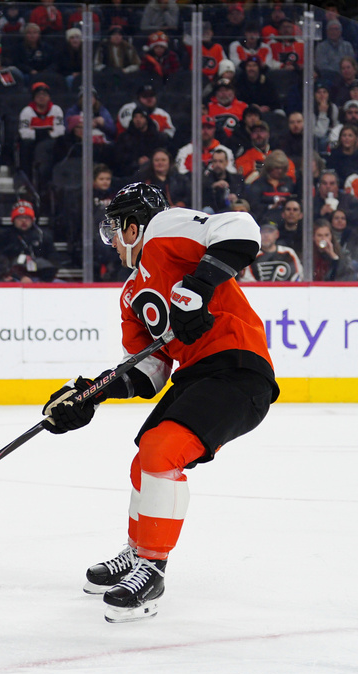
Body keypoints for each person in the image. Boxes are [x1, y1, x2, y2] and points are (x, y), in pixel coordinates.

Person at [46, 182, 277, 623]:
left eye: (115, 230)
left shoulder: (164, 230)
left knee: (161, 451)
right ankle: (137, 553)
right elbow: (149, 372)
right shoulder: (131, 294)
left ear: (133, 226)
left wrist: (198, 287)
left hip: (238, 367)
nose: (113, 242)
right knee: (145, 460)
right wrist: (92, 394)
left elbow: (242, 227)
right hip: (194, 376)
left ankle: (151, 569)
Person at [0, 200, 57, 283]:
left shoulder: (42, 236)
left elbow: (53, 259)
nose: (23, 221)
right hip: (14, 277)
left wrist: (43, 279)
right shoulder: (4, 237)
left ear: (32, 220)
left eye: (27, 218)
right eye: (19, 218)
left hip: (41, 277)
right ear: (13, 220)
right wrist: (17, 276)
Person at [18, 82, 64, 189]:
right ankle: (27, 181)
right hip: (32, 144)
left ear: (49, 97)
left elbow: (60, 131)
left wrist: (36, 131)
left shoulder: (56, 110)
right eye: (38, 95)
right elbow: (24, 133)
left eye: (44, 95)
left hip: (51, 143)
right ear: (34, 97)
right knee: (25, 144)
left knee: (61, 142)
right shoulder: (26, 111)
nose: (42, 97)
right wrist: (48, 131)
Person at [243, 150, 296, 225]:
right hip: (265, 220)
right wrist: (271, 206)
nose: (280, 171)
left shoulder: (289, 182)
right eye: (277, 168)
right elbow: (254, 206)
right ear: (269, 167)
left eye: (282, 168)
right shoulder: (258, 184)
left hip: (287, 222)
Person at [201, 148, 244, 215]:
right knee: (207, 210)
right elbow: (203, 200)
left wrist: (236, 199)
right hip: (213, 213)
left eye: (220, 161)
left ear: (226, 162)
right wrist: (213, 187)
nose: (217, 164)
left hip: (231, 211)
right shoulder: (206, 180)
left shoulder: (236, 179)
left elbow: (244, 196)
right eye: (215, 161)